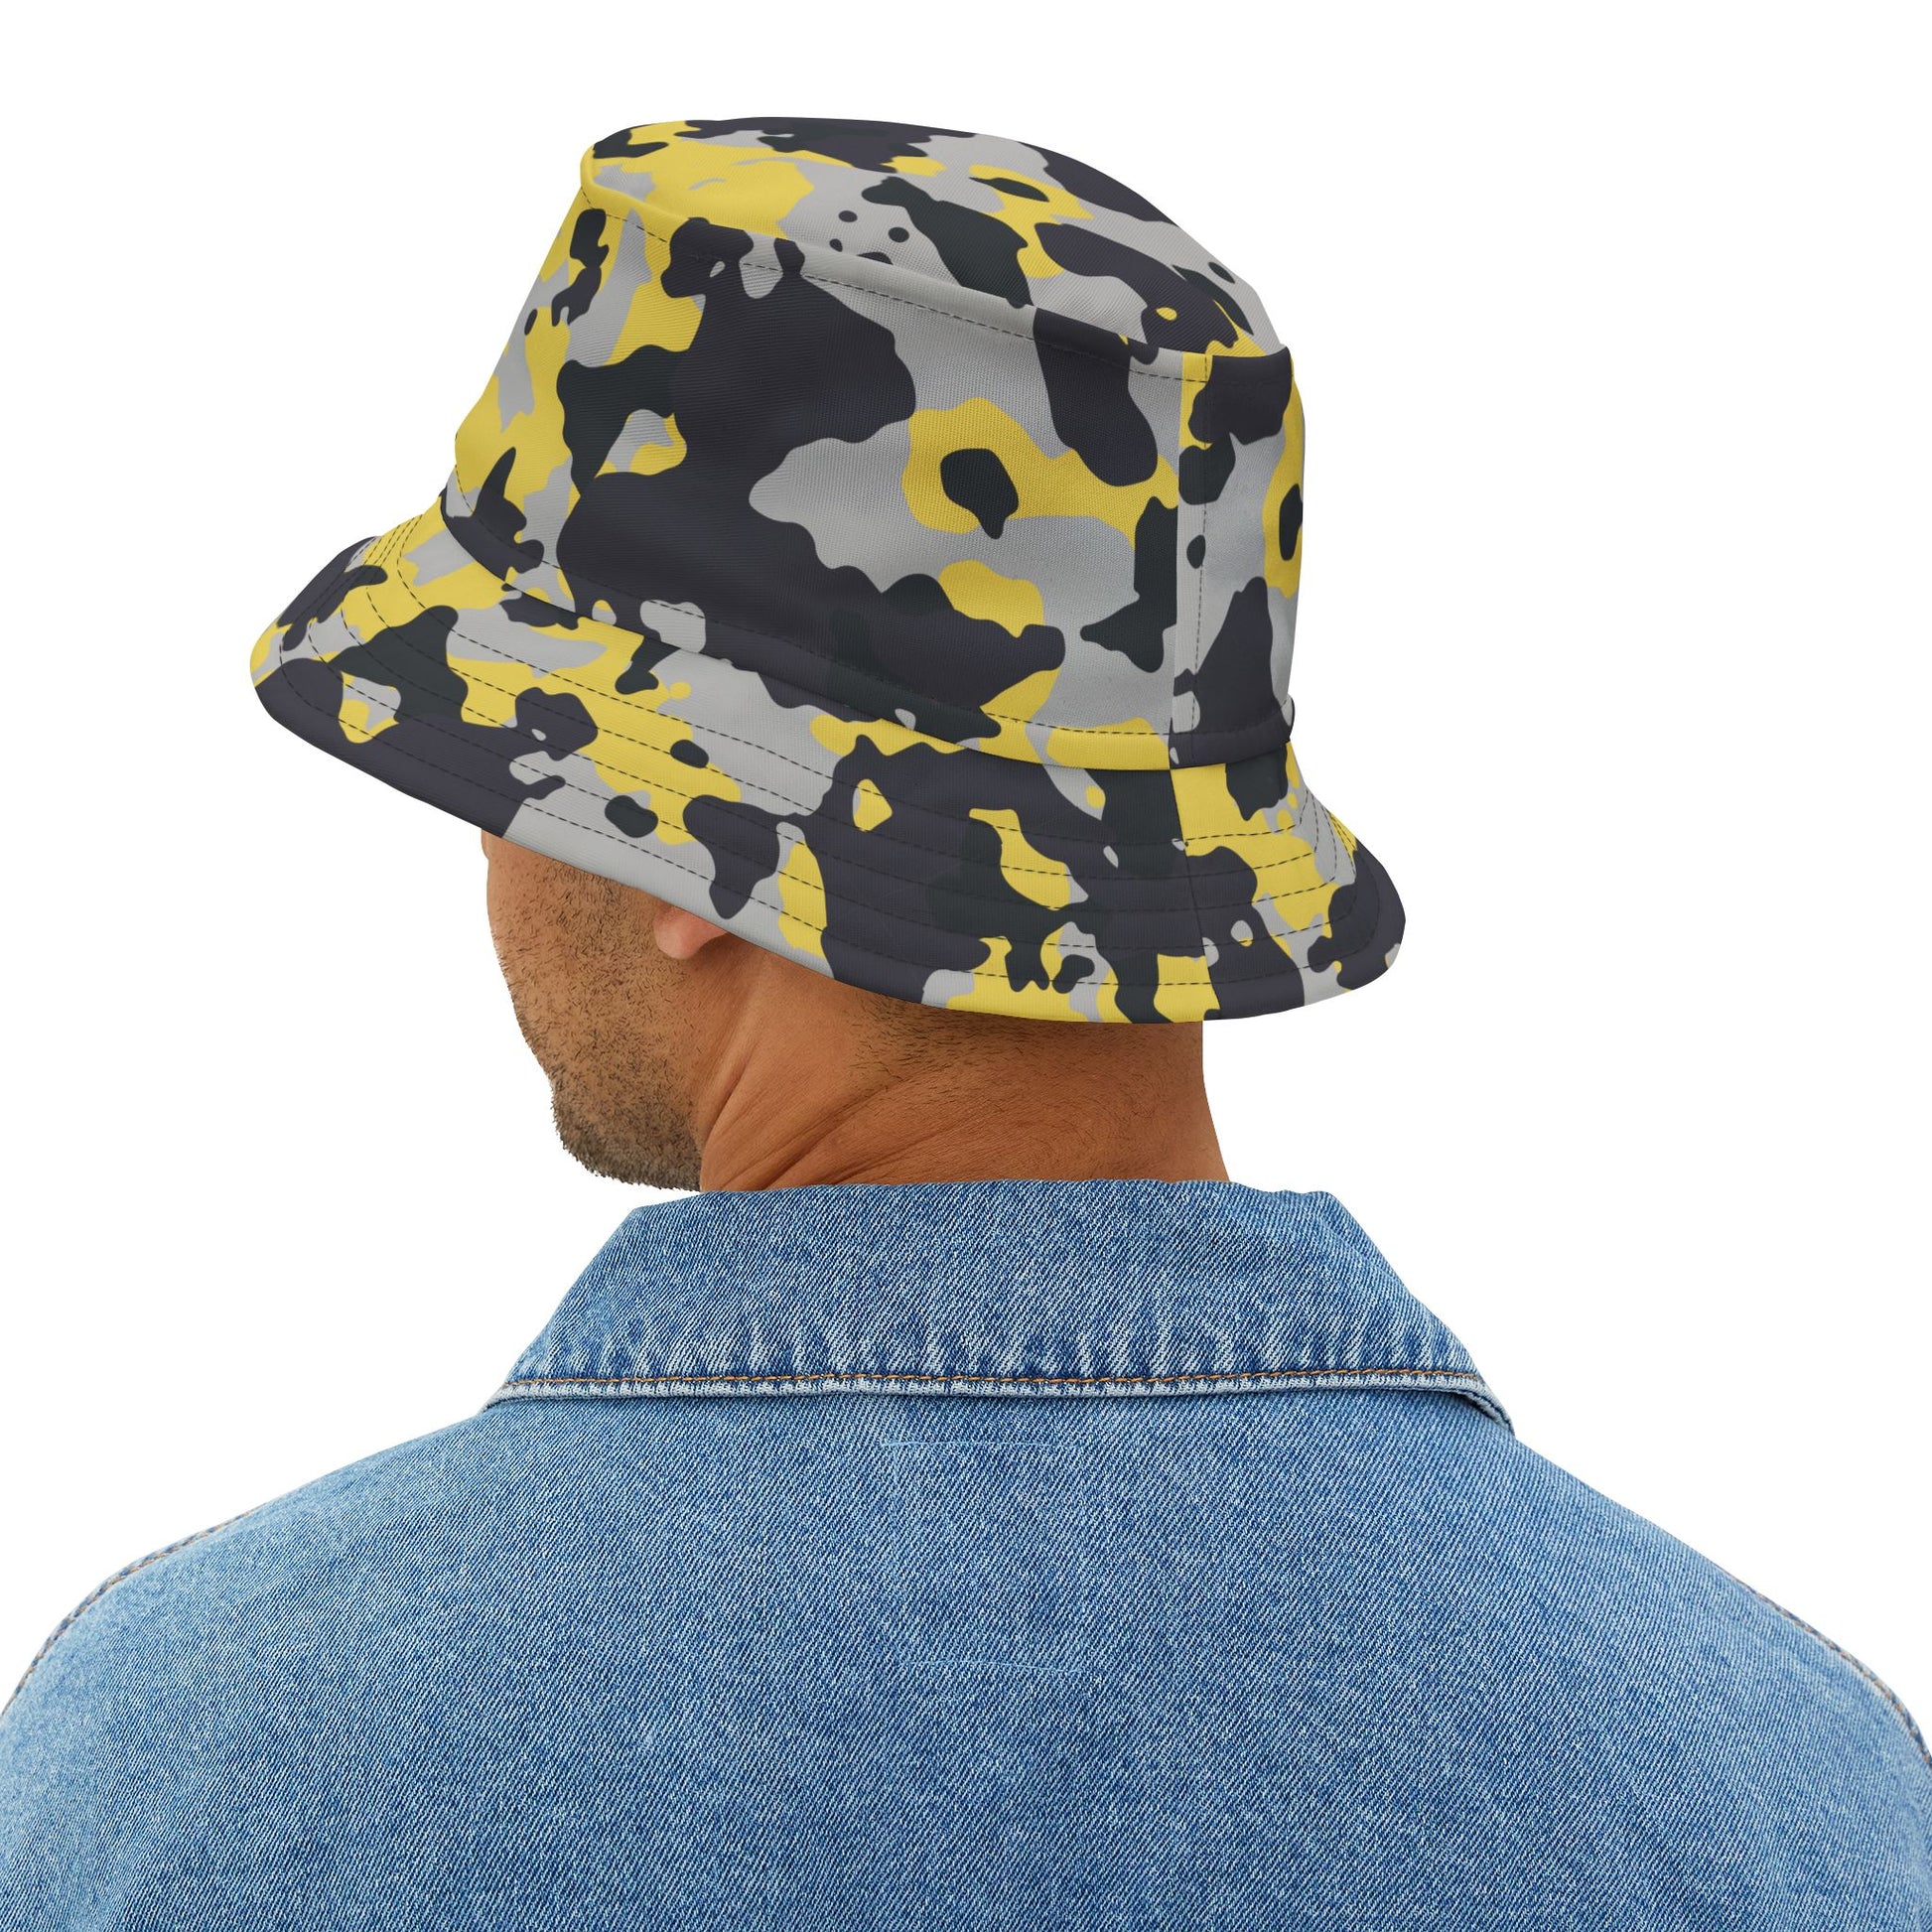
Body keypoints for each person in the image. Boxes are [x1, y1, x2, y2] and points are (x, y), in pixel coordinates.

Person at [2, 116, 1923, 1930]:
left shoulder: (170, 1770)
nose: (493, 857)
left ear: (685, 847)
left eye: (510, 775)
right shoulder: (1790, 1796)